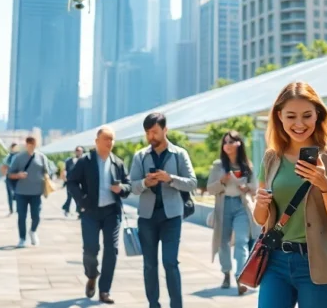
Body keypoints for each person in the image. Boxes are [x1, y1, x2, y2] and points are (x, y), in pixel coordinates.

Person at [253, 82, 327, 308]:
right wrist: (260, 203)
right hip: (276, 262)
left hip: (318, 262)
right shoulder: (271, 158)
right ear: (279, 116)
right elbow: (261, 219)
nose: (299, 124)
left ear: (317, 115)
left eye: (307, 116)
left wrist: (323, 184)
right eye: (291, 116)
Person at [129, 112, 197, 308]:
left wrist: (170, 179)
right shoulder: (140, 156)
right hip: (147, 217)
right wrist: (144, 182)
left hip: (171, 217)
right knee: (149, 265)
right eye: (148, 133)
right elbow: (132, 186)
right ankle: (153, 305)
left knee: (170, 263)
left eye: (155, 132)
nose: (151, 136)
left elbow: (192, 183)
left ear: (165, 130)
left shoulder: (180, 154)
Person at [66, 127, 131, 304]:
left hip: (112, 213)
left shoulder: (117, 162)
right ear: (97, 141)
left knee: (112, 251)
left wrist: (122, 189)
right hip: (90, 212)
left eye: (112, 139)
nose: (109, 142)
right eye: (106, 139)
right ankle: (92, 275)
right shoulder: (85, 161)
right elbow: (71, 182)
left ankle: (104, 290)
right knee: (91, 250)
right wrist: (82, 201)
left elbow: (128, 184)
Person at [206, 130, 258, 294]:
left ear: (239, 143)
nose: (227, 145)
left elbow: (255, 188)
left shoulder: (247, 166)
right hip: (224, 206)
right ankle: (226, 272)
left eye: (231, 141)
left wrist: (247, 188)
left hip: (241, 206)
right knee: (223, 242)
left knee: (242, 241)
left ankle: (240, 276)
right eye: (225, 142)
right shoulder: (218, 166)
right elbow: (210, 189)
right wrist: (222, 181)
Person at [8, 136, 52, 248]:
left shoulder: (41, 157)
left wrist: (46, 179)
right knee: (21, 216)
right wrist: (18, 175)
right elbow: (10, 174)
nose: (31, 145)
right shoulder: (18, 157)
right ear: (26, 144)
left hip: (36, 192)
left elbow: (47, 172)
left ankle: (33, 231)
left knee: (36, 216)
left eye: (33, 143)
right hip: (21, 192)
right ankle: (22, 238)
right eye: (29, 143)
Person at [62, 146, 85, 217]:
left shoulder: (85, 160)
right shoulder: (69, 160)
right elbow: (65, 170)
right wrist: (64, 177)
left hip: (81, 182)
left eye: (80, 150)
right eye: (77, 150)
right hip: (70, 182)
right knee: (70, 196)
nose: (78, 152)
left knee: (79, 197)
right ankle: (66, 209)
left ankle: (80, 212)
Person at [0, 143, 19, 215]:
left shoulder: (19, 156)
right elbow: (3, 166)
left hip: (17, 177)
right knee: (10, 194)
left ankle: (17, 208)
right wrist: (6, 174)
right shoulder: (8, 157)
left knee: (17, 193)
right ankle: (11, 209)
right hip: (10, 177)